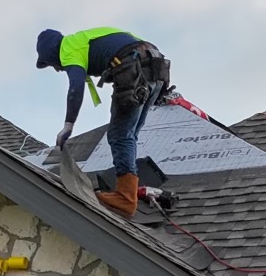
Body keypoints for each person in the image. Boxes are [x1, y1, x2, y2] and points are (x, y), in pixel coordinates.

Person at [36, 27, 170, 218]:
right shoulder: (86, 39)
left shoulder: (67, 49)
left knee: (119, 135)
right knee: (129, 135)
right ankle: (128, 191)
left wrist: (68, 125)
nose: (57, 69)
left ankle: (125, 198)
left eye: (51, 64)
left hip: (134, 67)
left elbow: (76, 87)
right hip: (156, 68)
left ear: (51, 53)